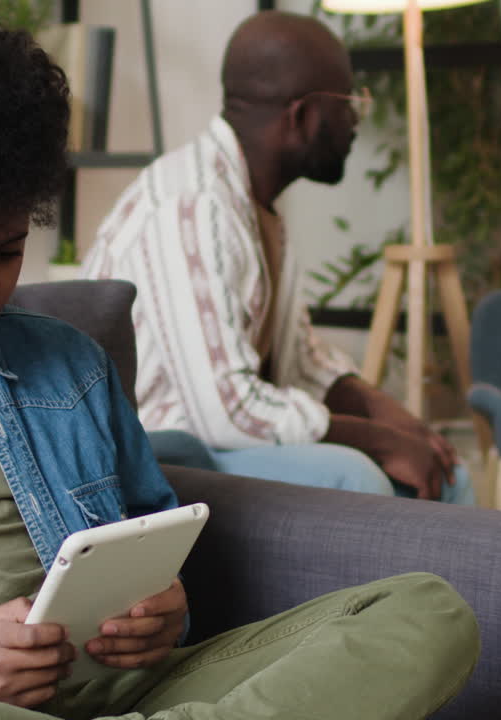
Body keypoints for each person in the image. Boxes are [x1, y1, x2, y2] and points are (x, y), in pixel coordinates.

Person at [0, 5, 479, 720]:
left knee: (427, 611)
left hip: (136, 690)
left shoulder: (75, 368)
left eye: (6, 252)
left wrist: (167, 611)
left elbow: (151, 554)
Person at [82, 11, 471, 505]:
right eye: (351, 104)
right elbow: (227, 408)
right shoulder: (194, 205)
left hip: (224, 441)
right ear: (303, 116)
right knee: (356, 479)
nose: (356, 122)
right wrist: (378, 440)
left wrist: (386, 413)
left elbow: (301, 363)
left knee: (449, 474)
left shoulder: (256, 207)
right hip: (163, 455)